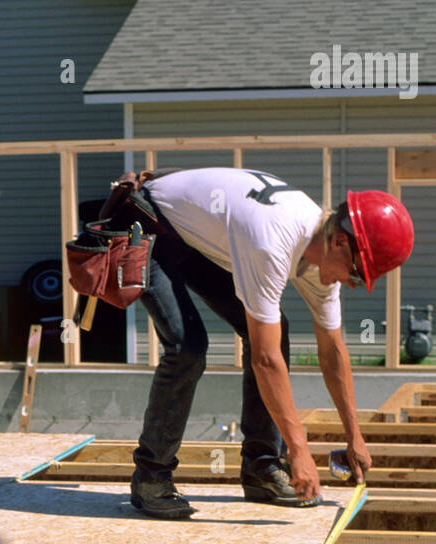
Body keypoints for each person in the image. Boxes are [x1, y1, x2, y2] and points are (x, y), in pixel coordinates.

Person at [125, 168, 414, 517]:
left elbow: (333, 353)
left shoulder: (320, 250)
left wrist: (354, 435)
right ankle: (151, 478)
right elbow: (265, 359)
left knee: (277, 330)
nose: (353, 284)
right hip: (149, 224)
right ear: (339, 242)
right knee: (187, 346)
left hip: (196, 234)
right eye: (357, 273)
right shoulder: (272, 242)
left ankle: (261, 468)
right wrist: (299, 451)